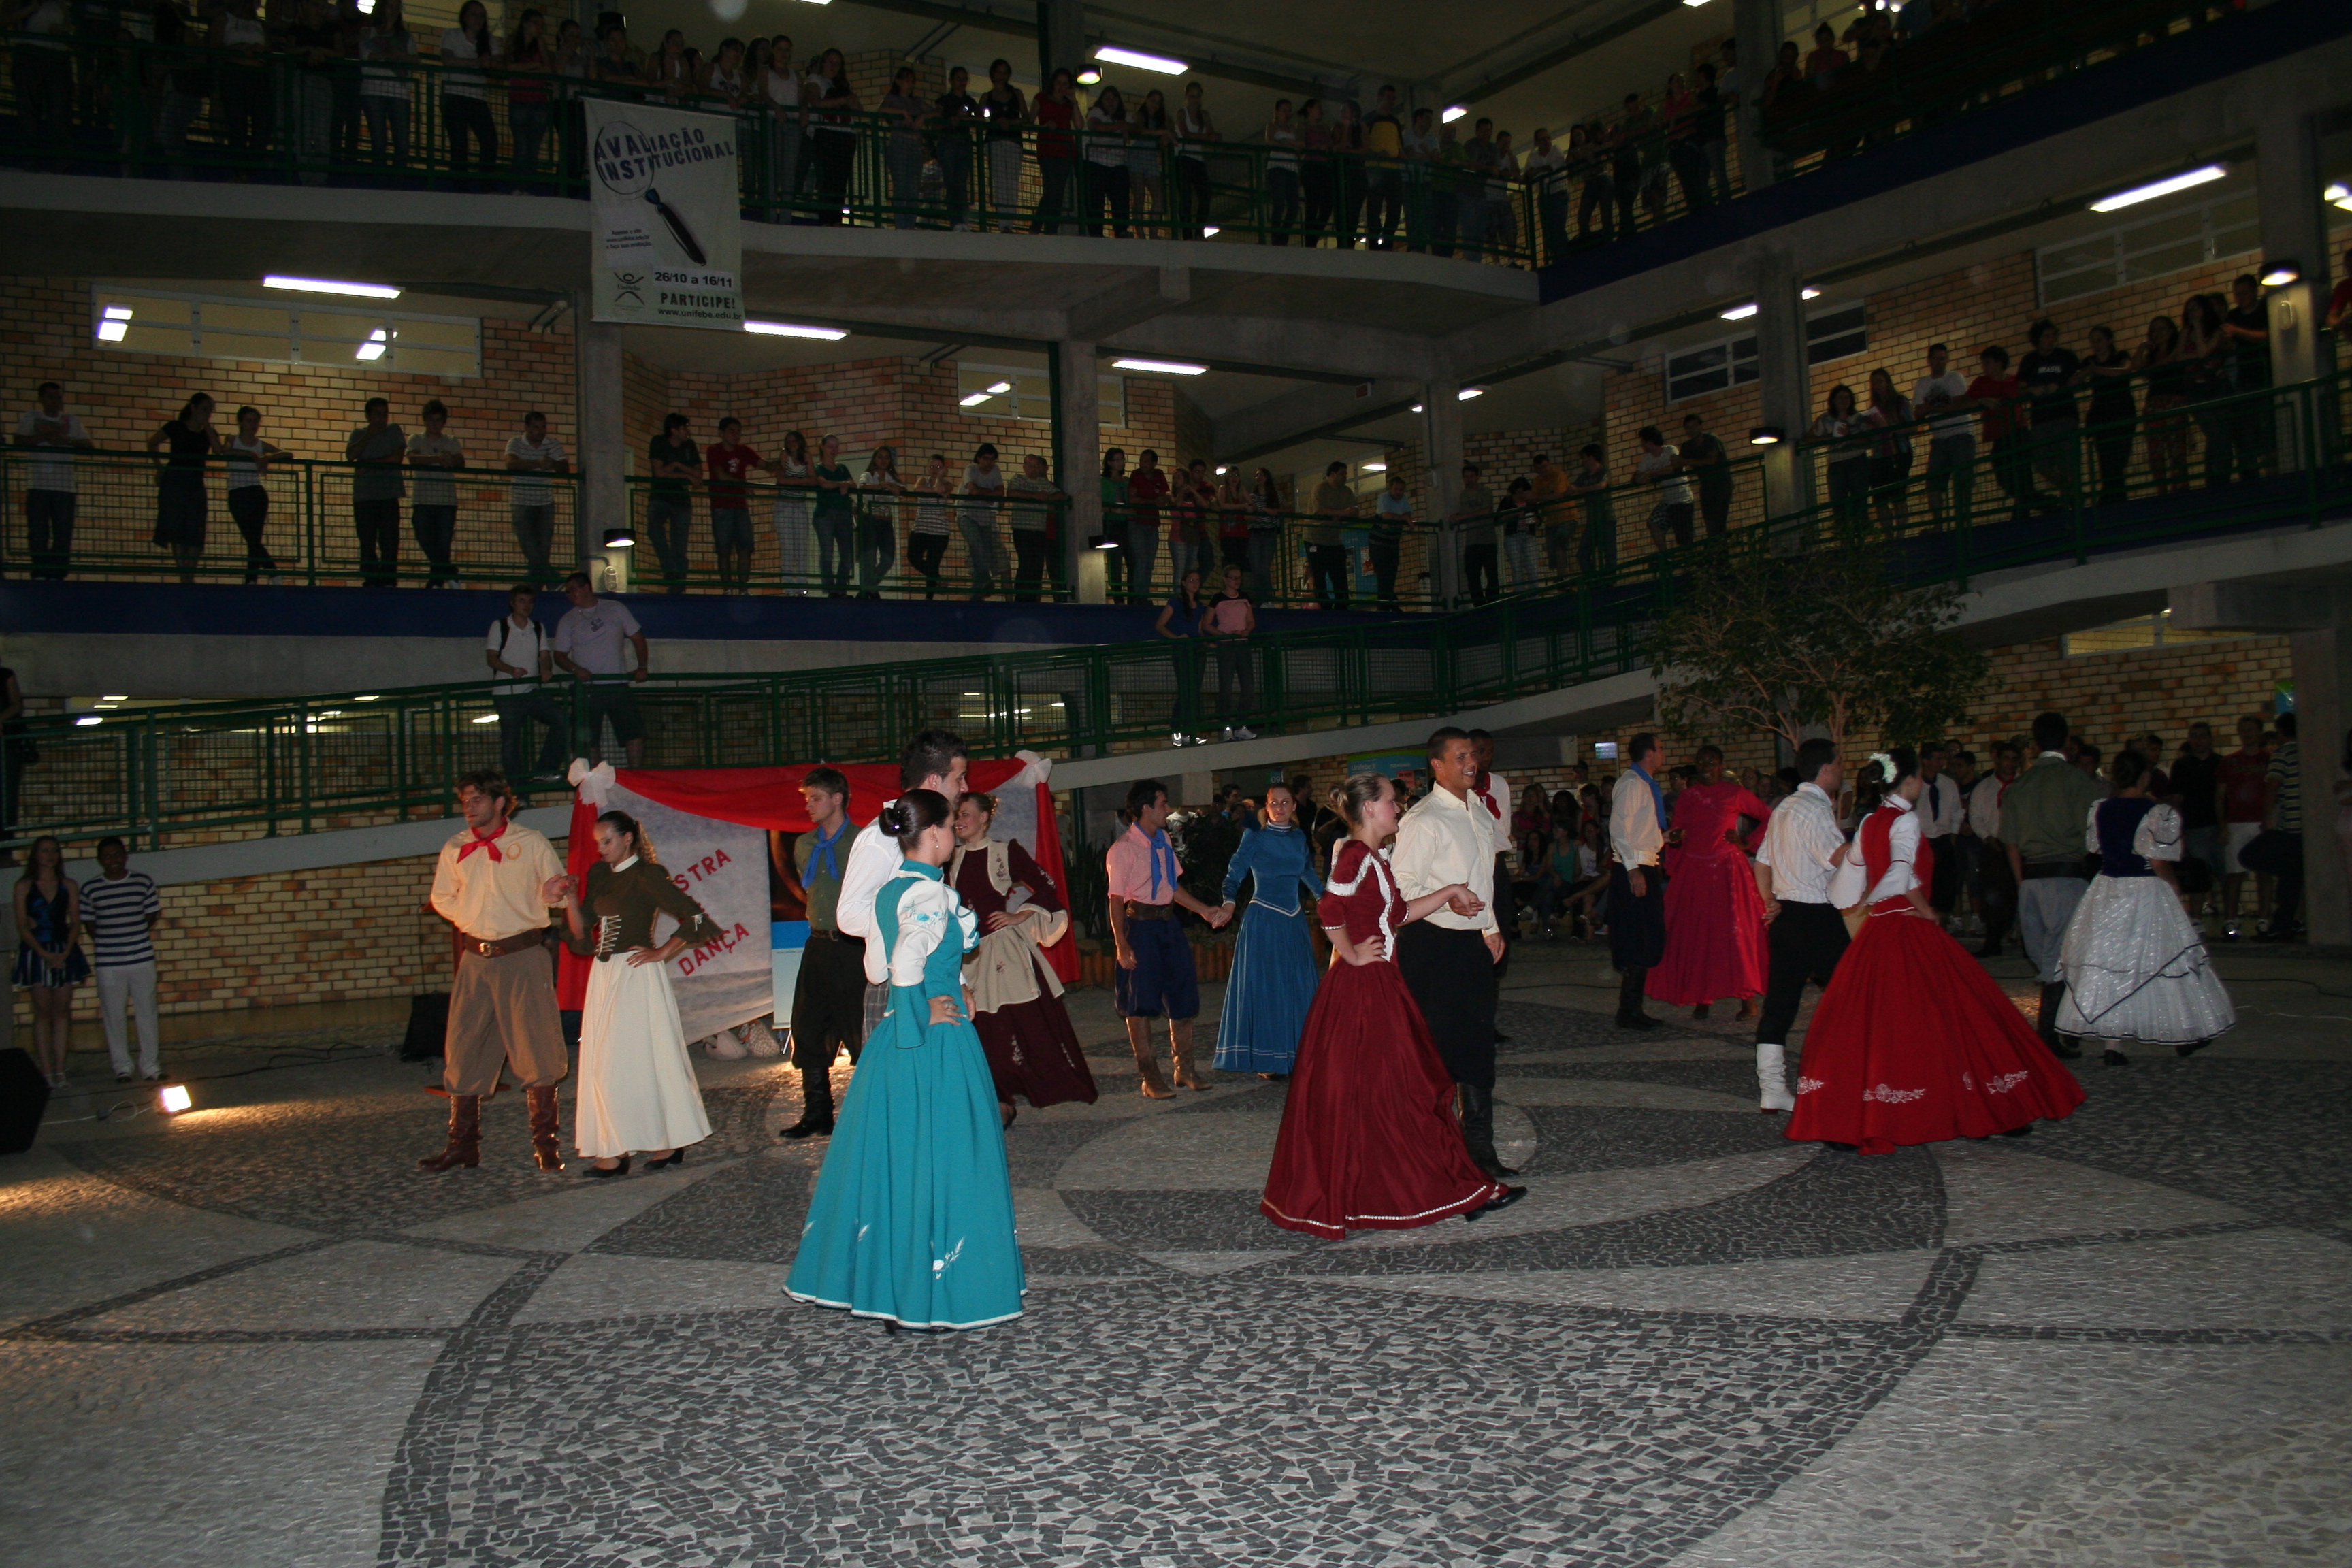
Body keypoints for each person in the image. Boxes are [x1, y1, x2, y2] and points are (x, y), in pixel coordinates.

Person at [785, 789, 1024, 1333]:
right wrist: (926, 1009)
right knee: (948, 1158)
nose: (954, 835)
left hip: (897, 1042)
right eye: (950, 828)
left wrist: (947, 986)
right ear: (935, 834)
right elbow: (903, 961)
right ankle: (936, 1292)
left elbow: (876, 968)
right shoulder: (931, 895)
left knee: (902, 1162)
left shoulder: (890, 891)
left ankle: (897, 1284)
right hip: (932, 1045)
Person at [1785, 748, 2085, 1154]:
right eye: (1919, 778)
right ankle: (1983, 1107)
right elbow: (1901, 872)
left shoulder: (1872, 820)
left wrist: (1868, 901)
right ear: (1908, 780)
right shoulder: (1905, 819)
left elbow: (1847, 882)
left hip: (1879, 932)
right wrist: (1927, 911)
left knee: (1874, 1023)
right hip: (1908, 927)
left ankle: (1850, 1115)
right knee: (1957, 1014)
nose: (1922, 784)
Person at [1260, 772, 1521, 1239]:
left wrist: (1450, 892)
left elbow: (1396, 915)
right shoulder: (1357, 854)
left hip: (1378, 984)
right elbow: (1329, 909)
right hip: (1364, 988)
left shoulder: (1376, 858)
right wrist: (1355, 953)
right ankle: (1443, 1190)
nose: (1398, 808)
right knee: (1407, 1087)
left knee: (1397, 1092)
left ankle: (1435, 1188)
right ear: (1369, 810)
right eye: (1390, 802)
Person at [548, 808, 715, 1175]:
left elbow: (696, 918)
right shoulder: (600, 876)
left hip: (638, 976)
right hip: (605, 976)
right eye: (597, 843)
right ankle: (615, 1145)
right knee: (605, 1063)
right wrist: (570, 900)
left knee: (645, 1059)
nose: (602, 849)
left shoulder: (647, 875)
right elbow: (580, 933)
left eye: (607, 841)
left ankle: (666, 1141)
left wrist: (660, 953)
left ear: (628, 838)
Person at [421, 771, 569, 1173]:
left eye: (477, 800)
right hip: (475, 961)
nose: (469, 808)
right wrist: (470, 918)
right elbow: (441, 897)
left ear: (501, 802)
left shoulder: (530, 842)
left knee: (536, 1047)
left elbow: (555, 892)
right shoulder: (456, 847)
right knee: (465, 1047)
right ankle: (462, 1145)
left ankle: (546, 1145)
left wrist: (553, 894)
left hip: (522, 955)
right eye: (465, 801)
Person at [2054, 750, 2234, 1063]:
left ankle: (2113, 1046)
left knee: (2114, 964)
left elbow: (2096, 848)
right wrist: (2176, 890)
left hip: (2107, 889)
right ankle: (2184, 1033)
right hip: (2145, 890)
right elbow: (2156, 858)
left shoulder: (2102, 809)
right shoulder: (2154, 811)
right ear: (2143, 776)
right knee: (2164, 958)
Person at [1392, 728, 1511, 1178]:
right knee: (1436, 1049)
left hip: (1471, 944)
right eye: (1460, 755)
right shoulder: (1424, 820)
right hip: (1431, 945)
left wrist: (1491, 927)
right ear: (1437, 765)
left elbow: (1484, 878)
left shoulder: (1480, 812)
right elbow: (1401, 894)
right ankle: (1431, 1150)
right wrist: (1448, 896)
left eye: (1474, 754)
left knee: (1478, 1045)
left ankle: (1480, 1150)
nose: (1472, 762)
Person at [949, 790, 1094, 1124]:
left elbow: (1046, 883)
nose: (960, 821)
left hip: (1002, 950)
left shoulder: (1004, 851)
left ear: (985, 817)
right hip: (967, 952)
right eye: (957, 815)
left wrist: (1019, 915)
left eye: (967, 814)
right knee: (981, 1024)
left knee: (1024, 1021)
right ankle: (995, 1096)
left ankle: (1018, 1091)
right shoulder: (950, 858)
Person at [838, 730, 970, 1054]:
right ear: (935, 780)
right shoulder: (882, 838)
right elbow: (849, 915)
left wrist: (960, 980)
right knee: (900, 1087)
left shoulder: (934, 830)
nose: (965, 788)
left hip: (932, 977)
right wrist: (905, 924)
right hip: (895, 986)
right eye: (960, 777)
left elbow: (937, 921)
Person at [1108, 777, 1232, 1097]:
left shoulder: (1162, 840)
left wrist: (1204, 910)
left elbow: (1173, 888)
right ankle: (1150, 1076)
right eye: (1163, 803)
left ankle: (1185, 1069)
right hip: (1141, 927)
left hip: (1168, 926)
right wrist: (1122, 943)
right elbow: (1116, 899)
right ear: (1146, 808)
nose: (1168, 809)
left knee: (1182, 993)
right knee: (1140, 1001)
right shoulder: (1123, 849)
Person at [1750, 739, 1846, 1113]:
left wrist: (1771, 901)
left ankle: (1772, 1088)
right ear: (1825, 769)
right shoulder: (1814, 809)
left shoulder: (1784, 807)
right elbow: (1837, 857)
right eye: (1839, 764)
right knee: (1853, 996)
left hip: (1788, 917)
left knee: (1779, 1006)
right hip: (1817, 917)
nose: (1842, 770)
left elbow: (1762, 863)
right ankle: (1843, 1079)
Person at [2003, 710, 2104, 1059]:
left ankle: (2058, 1028)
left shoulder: (2021, 785)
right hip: (2066, 876)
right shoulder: (2077, 782)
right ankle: (2052, 1031)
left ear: (2034, 744)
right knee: (2064, 958)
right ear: (2067, 742)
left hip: (2031, 879)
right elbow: (2095, 837)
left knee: (2047, 958)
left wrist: (2021, 882)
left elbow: (2010, 841)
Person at [1645, 745, 1769, 1021]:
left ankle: (1747, 998)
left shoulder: (1735, 793)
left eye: (1711, 763)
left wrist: (1748, 843)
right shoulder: (1689, 796)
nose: (1706, 767)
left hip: (1727, 870)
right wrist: (1674, 841)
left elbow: (1770, 817)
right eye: (1701, 763)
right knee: (1696, 934)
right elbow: (1680, 829)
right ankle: (1701, 995)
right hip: (1695, 871)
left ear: (1721, 765)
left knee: (1735, 934)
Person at [776, 767, 864, 1139]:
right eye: (806, 798)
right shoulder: (804, 845)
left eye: (815, 798)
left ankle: (867, 1117)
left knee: (862, 1030)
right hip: (817, 944)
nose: (808, 806)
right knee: (808, 1027)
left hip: (854, 949)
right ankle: (817, 1114)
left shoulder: (862, 841)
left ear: (837, 799)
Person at [1213, 783, 1323, 1078]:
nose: (1280, 808)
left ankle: (1298, 1056)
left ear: (1294, 806)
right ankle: (1268, 1060)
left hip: (1294, 919)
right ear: (1267, 807)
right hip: (1264, 919)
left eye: (1286, 802)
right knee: (1267, 989)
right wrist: (1229, 903)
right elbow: (1234, 874)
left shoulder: (1299, 836)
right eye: (1275, 803)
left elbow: (1307, 872)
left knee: (1296, 987)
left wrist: (1326, 900)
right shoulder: (1255, 837)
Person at [80, 835, 163, 1085]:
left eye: (117, 854)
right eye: (107, 856)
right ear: (100, 861)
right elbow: (89, 923)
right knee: (114, 1016)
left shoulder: (142, 882)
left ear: (125, 856)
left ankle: (150, 1066)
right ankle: (122, 1067)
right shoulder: (91, 888)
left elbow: (152, 914)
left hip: (141, 958)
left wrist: (132, 935)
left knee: (147, 1012)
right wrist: (110, 941)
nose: (113, 860)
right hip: (109, 962)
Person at [551, 570, 649, 769]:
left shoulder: (615, 608)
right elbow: (559, 655)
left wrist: (642, 667)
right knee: (587, 739)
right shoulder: (568, 620)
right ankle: (595, 781)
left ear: (586, 588)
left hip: (617, 683)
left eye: (572, 591)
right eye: (568, 592)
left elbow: (638, 638)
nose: (570, 596)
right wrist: (575, 669)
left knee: (634, 733)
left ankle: (637, 777)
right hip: (587, 688)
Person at [14, 835, 87, 1088]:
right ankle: (45, 1071)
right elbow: (23, 926)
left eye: (55, 851)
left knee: (62, 1010)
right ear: (36, 855)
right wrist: (45, 955)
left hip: (63, 949)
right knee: (43, 1012)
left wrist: (65, 952)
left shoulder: (69, 884)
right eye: (45, 851)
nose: (51, 855)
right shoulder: (24, 885)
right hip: (36, 952)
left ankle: (60, 1069)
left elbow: (76, 921)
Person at [1608, 732, 1671, 1030]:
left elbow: (1639, 831)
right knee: (1638, 936)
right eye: (1659, 749)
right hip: (1633, 867)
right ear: (1648, 753)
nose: (1663, 754)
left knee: (1647, 936)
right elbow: (1619, 828)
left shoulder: (1644, 785)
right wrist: (1633, 869)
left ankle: (1632, 1007)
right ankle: (1629, 1010)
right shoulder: (1632, 784)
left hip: (1644, 862)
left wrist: (1664, 838)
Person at [485, 584, 568, 785]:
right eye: (522, 601)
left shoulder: (537, 628)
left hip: (531, 690)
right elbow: (492, 658)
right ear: (512, 604)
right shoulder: (500, 626)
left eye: (530, 602)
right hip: (507, 694)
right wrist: (511, 670)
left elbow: (545, 655)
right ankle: (517, 790)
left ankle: (545, 769)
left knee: (561, 719)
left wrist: (546, 669)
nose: (527, 605)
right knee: (511, 743)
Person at [15, 380, 91, 581]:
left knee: (63, 532)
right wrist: (44, 437)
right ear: (41, 399)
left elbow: (87, 444)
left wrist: (67, 441)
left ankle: (58, 574)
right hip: (38, 484)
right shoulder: (31, 417)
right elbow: (19, 440)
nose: (55, 401)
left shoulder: (71, 420)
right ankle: (40, 571)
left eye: (58, 397)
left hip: (64, 486)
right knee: (38, 532)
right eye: (50, 397)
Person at [148, 393, 218, 584]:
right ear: (193, 408)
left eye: (210, 411)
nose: (207, 414)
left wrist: (209, 430)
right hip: (175, 481)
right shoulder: (176, 427)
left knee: (196, 528)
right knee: (176, 528)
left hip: (195, 483)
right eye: (204, 409)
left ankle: (190, 575)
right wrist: (159, 468)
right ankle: (183, 576)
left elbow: (219, 451)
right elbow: (153, 442)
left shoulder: (207, 433)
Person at [2216, 713, 2272, 937]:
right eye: (2243, 730)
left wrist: (2271, 820)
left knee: (2264, 873)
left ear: (2259, 732)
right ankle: (2231, 920)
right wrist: (2223, 825)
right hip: (2236, 823)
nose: (2247, 734)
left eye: (2251, 729)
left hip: (2262, 823)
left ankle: (2264, 919)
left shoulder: (2269, 760)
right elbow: (2220, 796)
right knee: (2235, 873)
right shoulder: (2229, 762)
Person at [221, 404, 289, 584]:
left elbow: (287, 454)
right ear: (241, 422)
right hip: (237, 492)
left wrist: (267, 458)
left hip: (256, 492)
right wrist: (251, 455)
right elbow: (224, 451)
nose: (253, 425)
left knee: (254, 538)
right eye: (249, 421)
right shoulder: (232, 439)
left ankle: (252, 579)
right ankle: (272, 571)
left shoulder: (261, 444)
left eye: (256, 421)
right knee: (251, 537)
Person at [344, 396, 407, 587]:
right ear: (368, 416)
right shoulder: (358, 434)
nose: (382, 418)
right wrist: (369, 435)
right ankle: (371, 578)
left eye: (385, 414)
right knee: (367, 540)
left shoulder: (394, 431)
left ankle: (389, 578)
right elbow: (351, 455)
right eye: (378, 414)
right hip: (364, 497)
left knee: (389, 539)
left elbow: (397, 458)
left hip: (388, 495)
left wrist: (369, 464)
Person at [1912, 344, 1974, 528]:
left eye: (1943, 358)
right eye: (1936, 358)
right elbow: (1918, 412)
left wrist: (1931, 409)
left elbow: (1958, 405)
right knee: (1934, 483)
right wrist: (1932, 410)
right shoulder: (1923, 383)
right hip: (1939, 437)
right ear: (1929, 360)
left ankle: (1962, 522)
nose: (1940, 362)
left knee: (1962, 481)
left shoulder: (1955, 378)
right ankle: (1939, 525)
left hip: (1960, 433)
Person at [504, 410, 568, 588]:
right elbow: (511, 464)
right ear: (526, 428)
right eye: (535, 427)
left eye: (543, 427)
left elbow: (564, 467)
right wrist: (539, 464)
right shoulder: (516, 442)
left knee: (543, 549)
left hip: (545, 502)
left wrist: (553, 464)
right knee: (530, 547)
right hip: (521, 503)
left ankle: (534, 589)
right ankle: (553, 579)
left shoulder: (552, 443)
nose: (540, 431)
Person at [406, 399, 464, 589]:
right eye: (431, 420)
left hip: (446, 500)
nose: (434, 424)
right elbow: (413, 459)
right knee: (423, 535)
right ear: (424, 420)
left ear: (444, 422)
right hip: (423, 498)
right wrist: (437, 459)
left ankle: (437, 579)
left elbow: (460, 462)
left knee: (443, 541)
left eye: (439, 420)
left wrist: (450, 459)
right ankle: (447, 571)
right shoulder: (416, 439)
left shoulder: (451, 441)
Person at [643, 413, 698, 595]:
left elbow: (699, 476)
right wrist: (685, 474)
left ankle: (677, 585)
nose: (688, 431)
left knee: (679, 546)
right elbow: (659, 472)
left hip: (681, 501)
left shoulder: (689, 446)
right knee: (654, 530)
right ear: (673, 430)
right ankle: (670, 569)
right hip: (660, 497)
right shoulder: (659, 442)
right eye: (684, 428)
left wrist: (677, 466)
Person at [704, 416, 760, 593]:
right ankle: (727, 589)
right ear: (721, 433)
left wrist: (782, 463)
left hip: (740, 507)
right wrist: (743, 485)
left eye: (738, 432)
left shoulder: (744, 451)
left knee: (745, 548)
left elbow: (764, 464)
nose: (736, 435)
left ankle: (743, 589)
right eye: (731, 431)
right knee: (724, 550)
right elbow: (720, 475)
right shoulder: (714, 451)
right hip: (722, 506)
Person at [2261, 711, 2304, 943]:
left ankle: (2282, 924)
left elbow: (2272, 787)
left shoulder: (2282, 754)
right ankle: (2289, 922)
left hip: (2291, 826)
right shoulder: (2307, 752)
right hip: (2308, 825)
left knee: (2289, 876)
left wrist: (2268, 819)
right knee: (2294, 876)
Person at [1203, 564, 1257, 741]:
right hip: (1226, 645)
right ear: (1225, 579)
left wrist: (1246, 631)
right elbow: (1207, 624)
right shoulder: (1217, 599)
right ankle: (1226, 727)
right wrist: (1224, 635)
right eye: (1233, 578)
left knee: (1248, 686)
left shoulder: (1245, 598)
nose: (1236, 581)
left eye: (1239, 578)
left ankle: (1241, 725)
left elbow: (1250, 621)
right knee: (1225, 687)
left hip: (1242, 644)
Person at [1154, 568, 1207, 745]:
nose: (1195, 583)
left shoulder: (1200, 606)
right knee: (1186, 690)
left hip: (1197, 650)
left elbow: (1200, 629)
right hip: (1182, 650)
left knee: (1195, 692)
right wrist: (1176, 638)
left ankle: (1190, 731)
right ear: (1184, 583)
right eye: (1191, 580)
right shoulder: (1176, 602)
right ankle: (1177, 728)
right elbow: (1161, 625)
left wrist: (1207, 641)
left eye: (1197, 580)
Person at [1916, 743, 1965, 921]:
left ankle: (1942, 927)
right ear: (1925, 761)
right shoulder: (1915, 783)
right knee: (1924, 889)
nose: (1941, 763)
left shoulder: (1947, 783)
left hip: (1943, 841)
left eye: (1943, 758)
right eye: (1937, 758)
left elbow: (1957, 811)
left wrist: (1952, 834)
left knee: (1945, 890)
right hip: (1922, 841)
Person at [1633, 426, 1693, 553]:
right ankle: (1665, 555)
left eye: (1643, 442)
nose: (1641, 445)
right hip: (1668, 500)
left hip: (1682, 499)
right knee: (1653, 522)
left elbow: (1673, 468)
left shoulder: (1670, 450)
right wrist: (1638, 479)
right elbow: (1637, 474)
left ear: (1649, 442)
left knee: (1683, 536)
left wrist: (1651, 474)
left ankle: (1688, 562)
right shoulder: (1648, 458)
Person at [958, 442, 1007, 600]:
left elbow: (1000, 492)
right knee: (976, 545)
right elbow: (973, 490)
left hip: (986, 519)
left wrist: (984, 493)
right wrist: (990, 494)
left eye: (992, 460)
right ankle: (986, 580)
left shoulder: (996, 470)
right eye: (986, 459)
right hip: (967, 515)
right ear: (979, 458)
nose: (989, 463)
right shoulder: (971, 469)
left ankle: (975, 600)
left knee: (980, 555)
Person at [1306, 459, 1354, 609]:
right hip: (1315, 539)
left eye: (1346, 473)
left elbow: (1354, 510)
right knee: (1319, 577)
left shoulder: (1347, 491)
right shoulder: (1320, 488)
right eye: (1342, 473)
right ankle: (1326, 607)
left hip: (1334, 540)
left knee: (1340, 577)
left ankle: (1342, 607)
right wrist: (1343, 513)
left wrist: (1340, 515)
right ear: (1332, 474)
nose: (1345, 476)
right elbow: (1321, 510)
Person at [1679, 413, 1733, 539]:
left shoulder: (1712, 440)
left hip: (1721, 485)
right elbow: (1678, 466)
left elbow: (1711, 461)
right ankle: (1717, 551)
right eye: (1688, 427)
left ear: (1701, 427)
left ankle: (1721, 553)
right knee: (1710, 521)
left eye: (1694, 426)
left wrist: (1687, 462)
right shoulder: (1688, 446)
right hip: (1707, 486)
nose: (1691, 430)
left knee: (1718, 521)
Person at [1453, 461, 1499, 605]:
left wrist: (1463, 516)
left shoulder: (1486, 491)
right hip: (1471, 541)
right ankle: (1479, 605)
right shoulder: (1463, 495)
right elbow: (1473, 513)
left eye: (1471, 476)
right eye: (1466, 477)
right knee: (1472, 575)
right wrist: (1461, 516)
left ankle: (1492, 603)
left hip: (1488, 539)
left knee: (1491, 574)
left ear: (1477, 477)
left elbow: (1487, 511)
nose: (1469, 479)